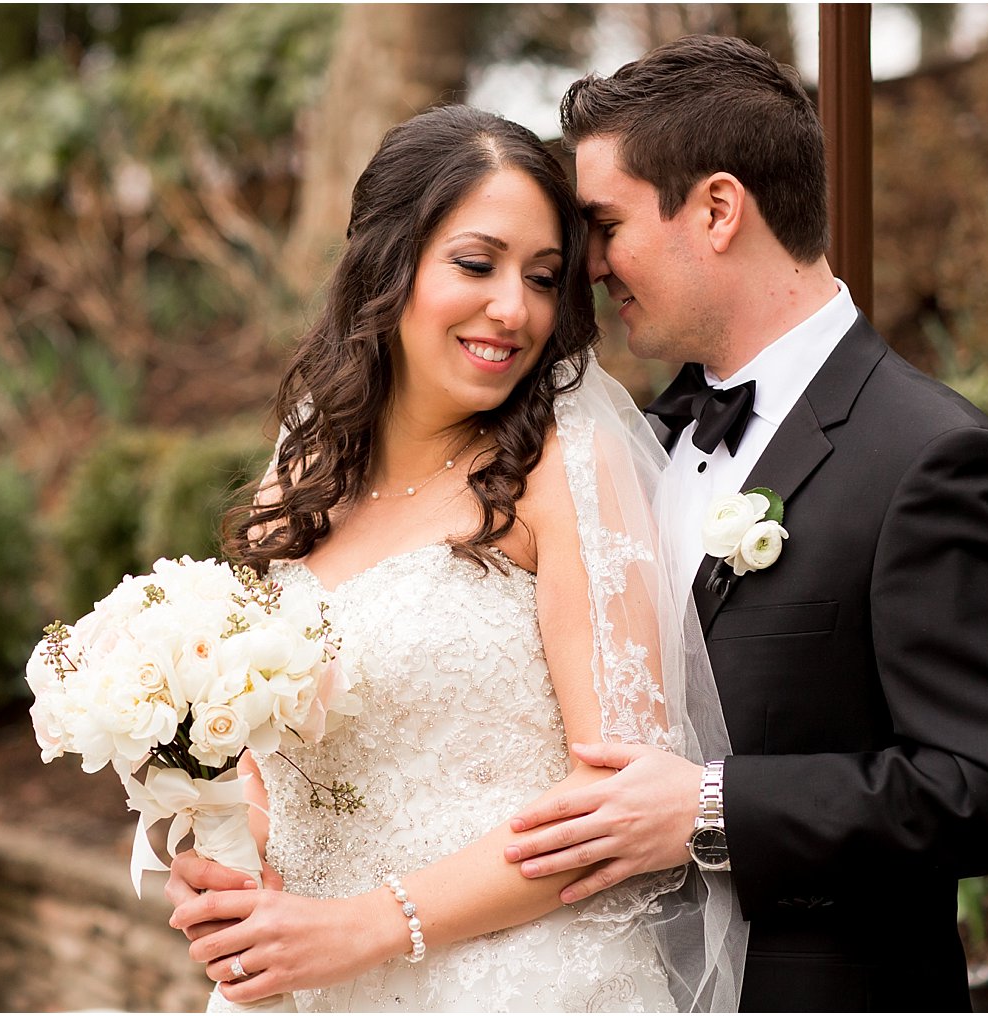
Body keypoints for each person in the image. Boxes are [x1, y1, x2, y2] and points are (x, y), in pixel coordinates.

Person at [504, 34, 988, 1012]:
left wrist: (709, 806)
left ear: (718, 208)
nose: (589, 265)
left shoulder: (931, 458)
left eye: (603, 224)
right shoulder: (619, 451)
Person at [162, 104, 745, 1011]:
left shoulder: (565, 469)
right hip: (299, 982)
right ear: (386, 267)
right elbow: (264, 755)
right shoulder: (302, 471)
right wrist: (219, 860)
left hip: (513, 979)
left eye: (545, 278)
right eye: (476, 264)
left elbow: (615, 805)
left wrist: (367, 926)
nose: (514, 309)